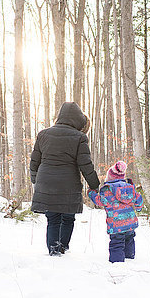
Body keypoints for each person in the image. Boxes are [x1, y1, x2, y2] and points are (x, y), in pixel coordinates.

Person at [30, 102, 100, 256]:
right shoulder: (79, 137)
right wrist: (95, 185)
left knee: (53, 219)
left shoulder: (43, 134)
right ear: (78, 120)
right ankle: (63, 247)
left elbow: (34, 161)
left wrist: (35, 180)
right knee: (68, 217)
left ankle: (54, 250)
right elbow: (85, 164)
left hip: (46, 183)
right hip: (68, 185)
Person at [88, 161, 143, 263]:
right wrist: (139, 208)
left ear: (110, 177)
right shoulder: (130, 188)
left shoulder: (108, 190)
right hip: (130, 222)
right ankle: (130, 259)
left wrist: (91, 193)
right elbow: (139, 200)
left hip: (116, 224)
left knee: (117, 243)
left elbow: (99, 201)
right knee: (129, 240)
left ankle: (117, 264)